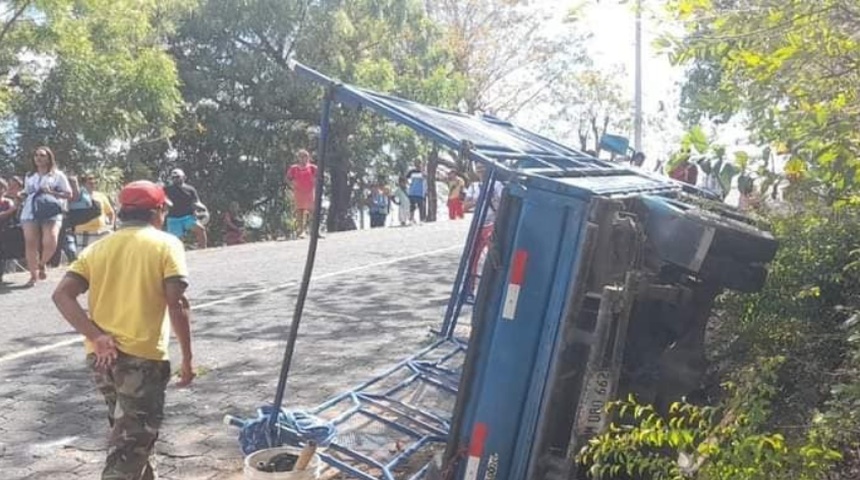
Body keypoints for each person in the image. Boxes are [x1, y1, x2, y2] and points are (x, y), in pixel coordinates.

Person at [52, 180, 194, 480]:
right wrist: (188, 358)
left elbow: (62, 295)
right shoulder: (166, 244)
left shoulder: (98, 248)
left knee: (131, 436)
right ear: (158, 212)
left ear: (122, 213)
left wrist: (96, 336)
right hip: (142, 360)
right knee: (131, 447)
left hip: (102, 358)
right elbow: (176, 303)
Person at [20, 146, 73, 286]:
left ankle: (42, 263)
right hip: (31, 210)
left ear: (49, 158)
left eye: (42, 155)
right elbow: (26, 191)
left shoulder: (58, 175)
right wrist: (22, 195)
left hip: (51, 210)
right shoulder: (30, 175)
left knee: (50, 240)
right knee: (30, 242)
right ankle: (33, 275)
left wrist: (52, 192)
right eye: (36, 155)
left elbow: (69, 194)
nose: (38, 158)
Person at [463, 162, 503, 293]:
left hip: (492, 225)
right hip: (478, 225)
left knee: (493, 257)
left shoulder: (497, 185)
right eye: (478, 167)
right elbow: (464, 207)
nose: (480, 169)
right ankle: (469, 288)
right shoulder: (474, 187)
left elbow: (503, 203)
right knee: (473, 257)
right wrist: (477, 200)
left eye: (483, 166)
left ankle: (491, 288)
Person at [165, 168, 207, 249]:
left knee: (201, 230)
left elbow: (196, 202)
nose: (175, 179)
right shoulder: (167, 189)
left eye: (177, 177)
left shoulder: (190, 189)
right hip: (173, 219)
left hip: (188, 217)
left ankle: (203, 251)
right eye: (173, 177)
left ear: (184, 177)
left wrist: (201, 210)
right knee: (177, 242)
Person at [74, 173, 116, 250]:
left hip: (101, 231)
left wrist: (111, 225)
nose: (93, 185)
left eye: (94, 183)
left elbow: (110, 213)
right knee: (83, 256)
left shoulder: (101, 196)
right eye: (90, 183)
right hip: (84, 231)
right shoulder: (77, 197)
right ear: (83, 184)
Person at [285, 149, 318, 239]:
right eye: (301, 156)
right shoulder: (294, 168)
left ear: (308, 157)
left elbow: (319, 177)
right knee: (300, 211)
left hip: (310, 192)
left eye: (305, 156)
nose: (304, 158)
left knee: (313, 211)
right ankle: (301, 231)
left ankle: (315, 231)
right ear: (298, 158)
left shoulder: (313, 167)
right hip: (299, 192)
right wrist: (292, 185)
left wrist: (315, 182)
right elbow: (287, 178)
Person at [0, 178, 18, 283]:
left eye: (1, 187)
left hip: (5, 232)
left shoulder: (8, 202)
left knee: (2, 255)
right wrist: (9, 211)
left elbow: (13, 212)